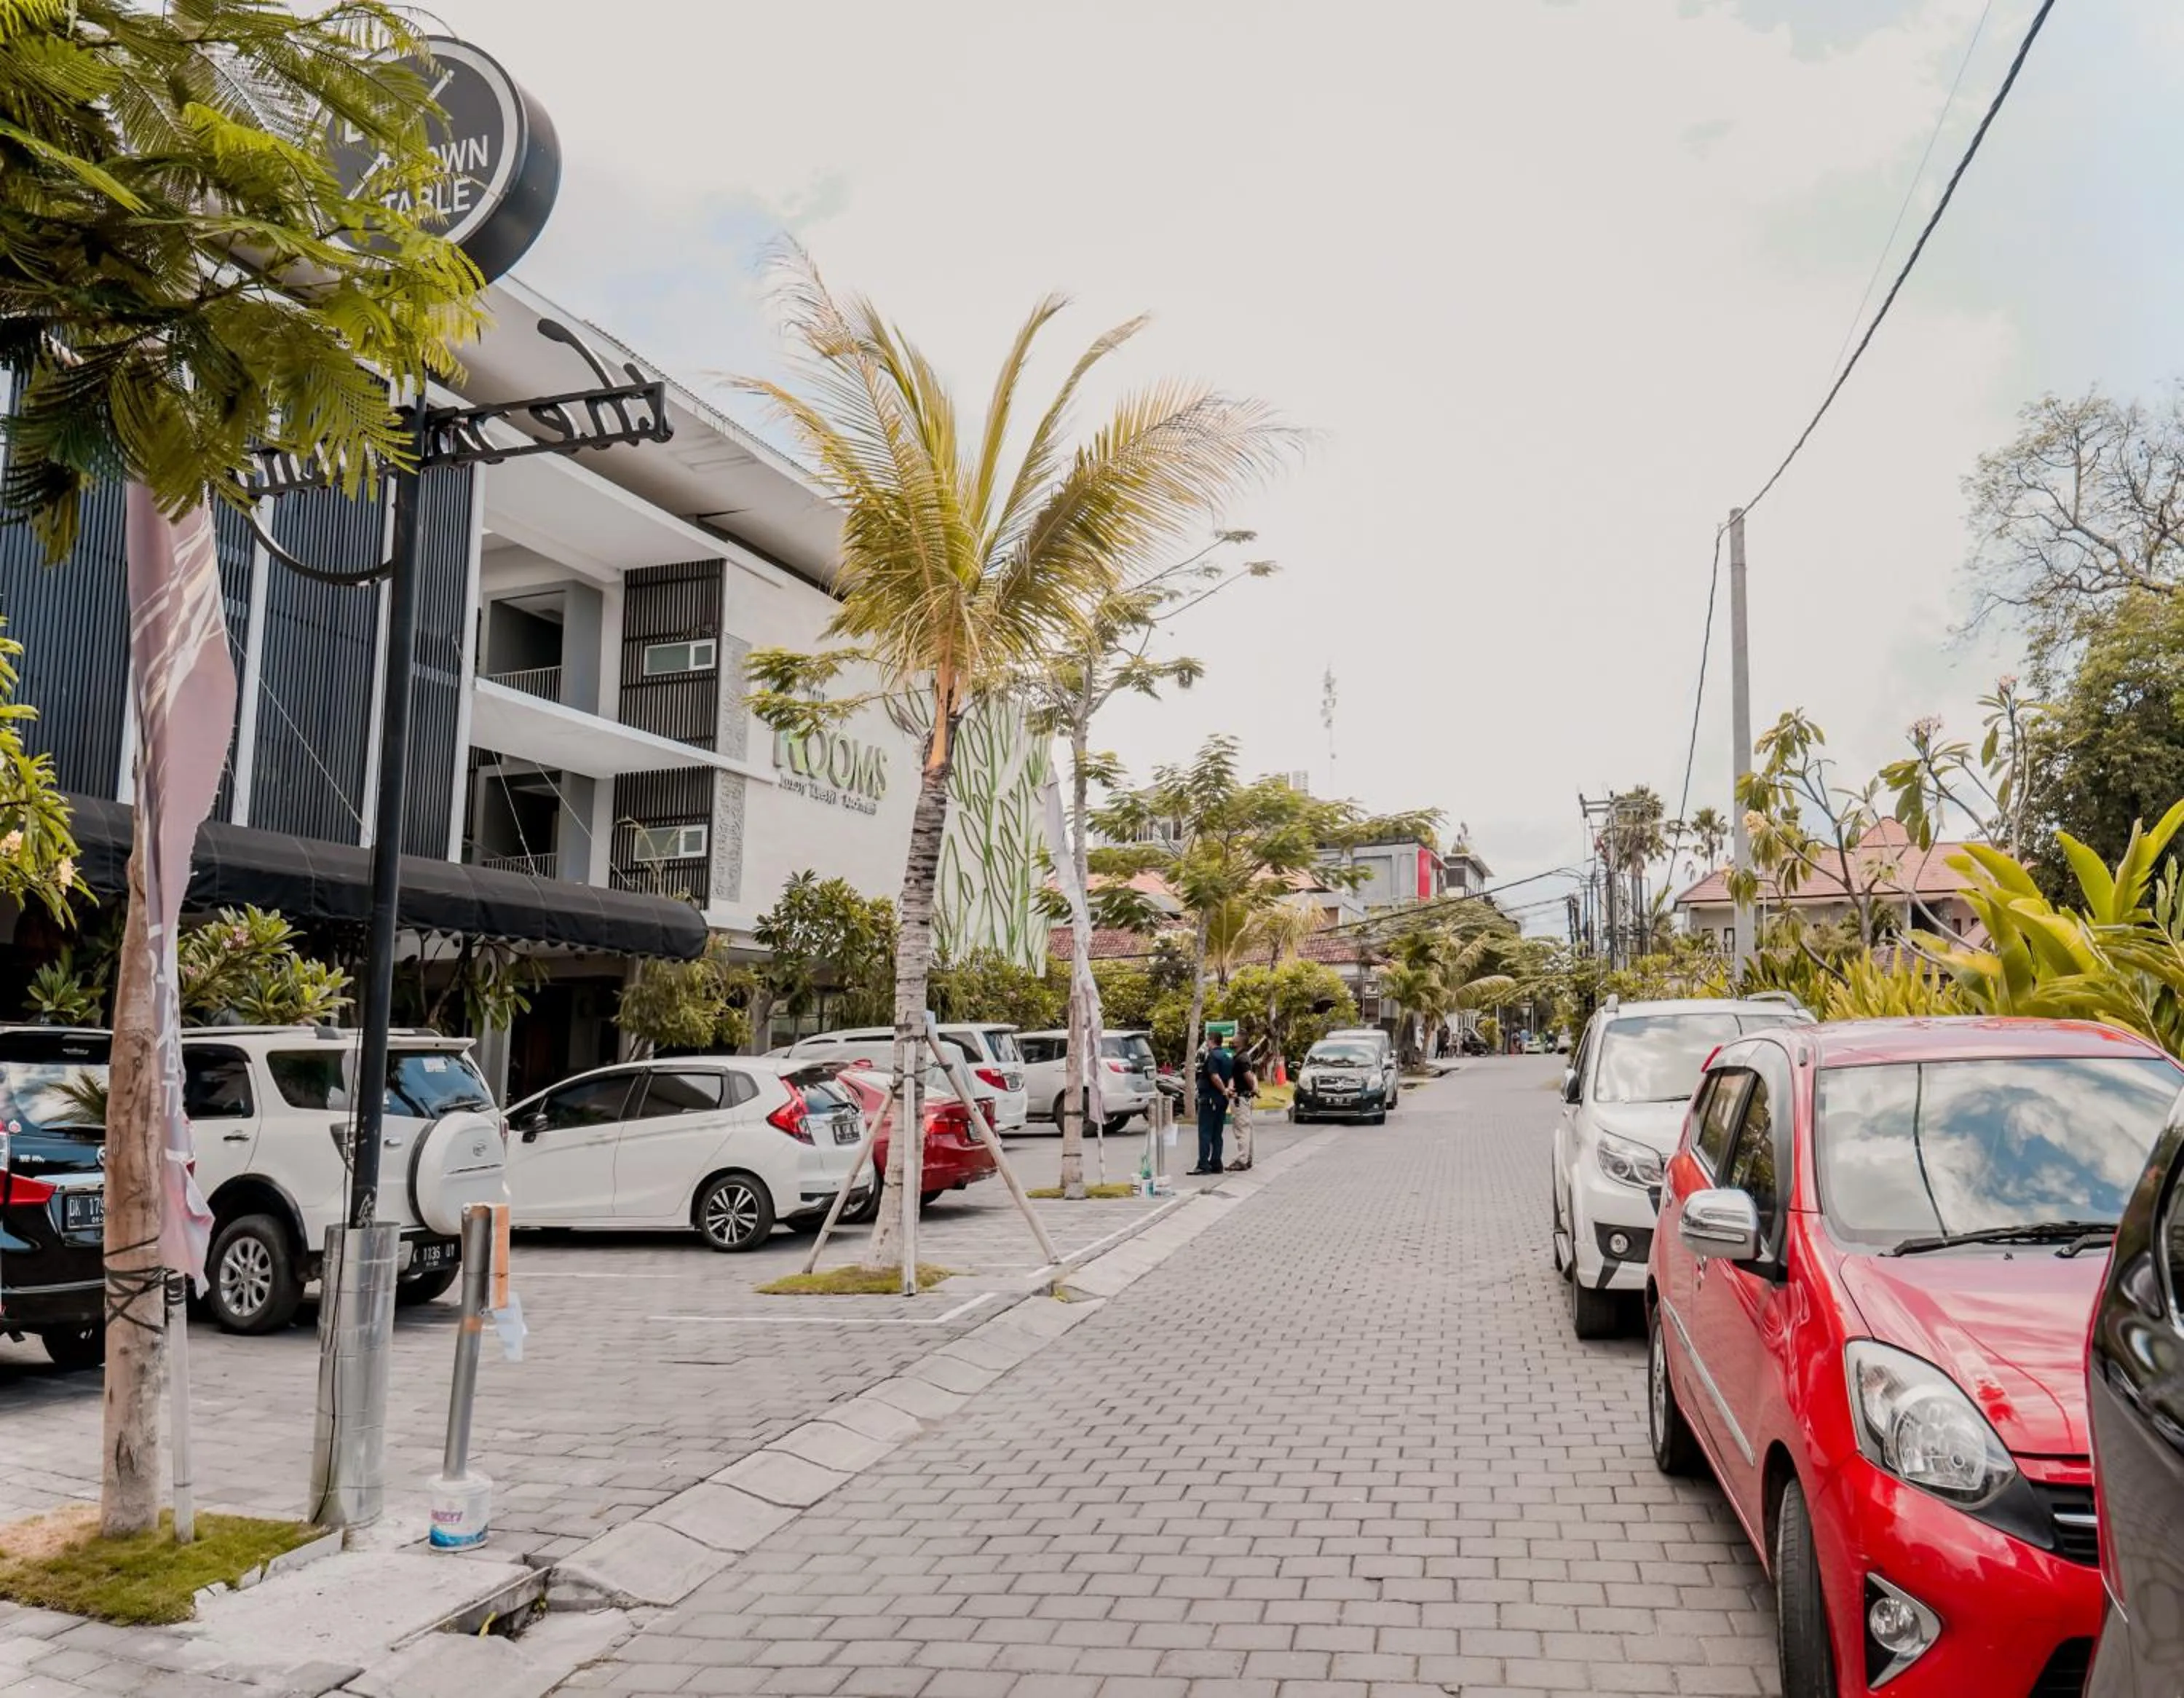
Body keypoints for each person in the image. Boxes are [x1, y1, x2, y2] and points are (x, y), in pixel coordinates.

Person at [1192, 1032, 1235, 1175]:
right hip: (1221, 1102)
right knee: (1217, 1133)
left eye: (1207, 1041)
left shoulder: (1213, 1057)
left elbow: (1214, 1076)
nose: (1207, 1044)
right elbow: (1230, 1077)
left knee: (1205, 1133)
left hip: (1210, 1100)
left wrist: (1223, 1090)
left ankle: (1204, 1164)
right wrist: (1228, 1091)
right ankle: (1216, 1163)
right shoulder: (1227, 1057)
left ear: (1211, 1041)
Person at [1229, 1046, 1259, 1172]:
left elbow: (1249, 1077)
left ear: (1240, 1042)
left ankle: (1242, 1160)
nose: (1233, 1040)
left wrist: (1254, 1088)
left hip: (1240, 1099)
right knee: (1246, 1128)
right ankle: (1248, 1158)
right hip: (1244, 1098)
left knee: (1242, 1129)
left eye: (1236, 1038)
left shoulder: (1241, 1059)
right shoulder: (1243, 1057)